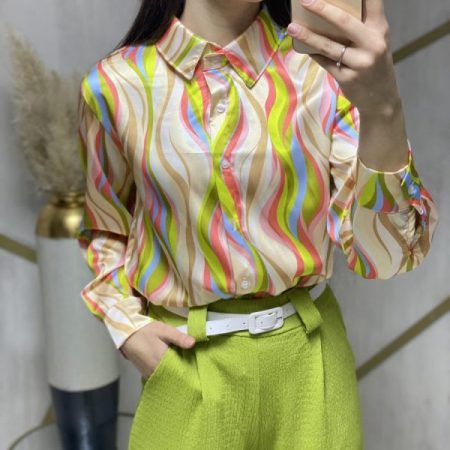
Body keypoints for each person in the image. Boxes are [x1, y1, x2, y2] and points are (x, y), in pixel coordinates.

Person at [76, 0, 439, 448]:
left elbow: (386, 258)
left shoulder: (326, 72)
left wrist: (383, 106)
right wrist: (126, 325)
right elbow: (106, 226)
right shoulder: (113, 86)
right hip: (188, 364)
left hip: (311, 365)